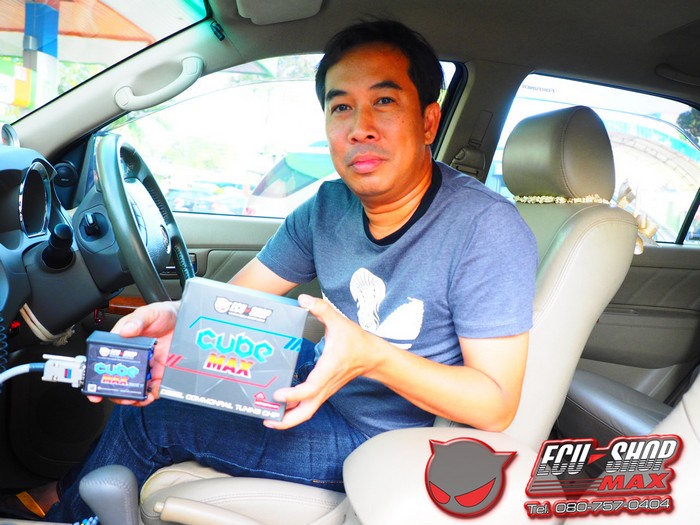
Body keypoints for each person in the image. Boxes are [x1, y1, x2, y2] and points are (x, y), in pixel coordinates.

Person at [23, 19, 537, 521]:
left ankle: (63, 513)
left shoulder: (485, 228)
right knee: (165, 380)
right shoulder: (329, 206)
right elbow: (237, 301)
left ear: (428, 120)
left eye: (384, 101)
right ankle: (68, 494)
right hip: (317, 376)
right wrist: (179, 317)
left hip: (382, 437)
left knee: (155, 418)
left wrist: (370, 357)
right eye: (341, 107)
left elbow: (494, 405)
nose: (360, 128)